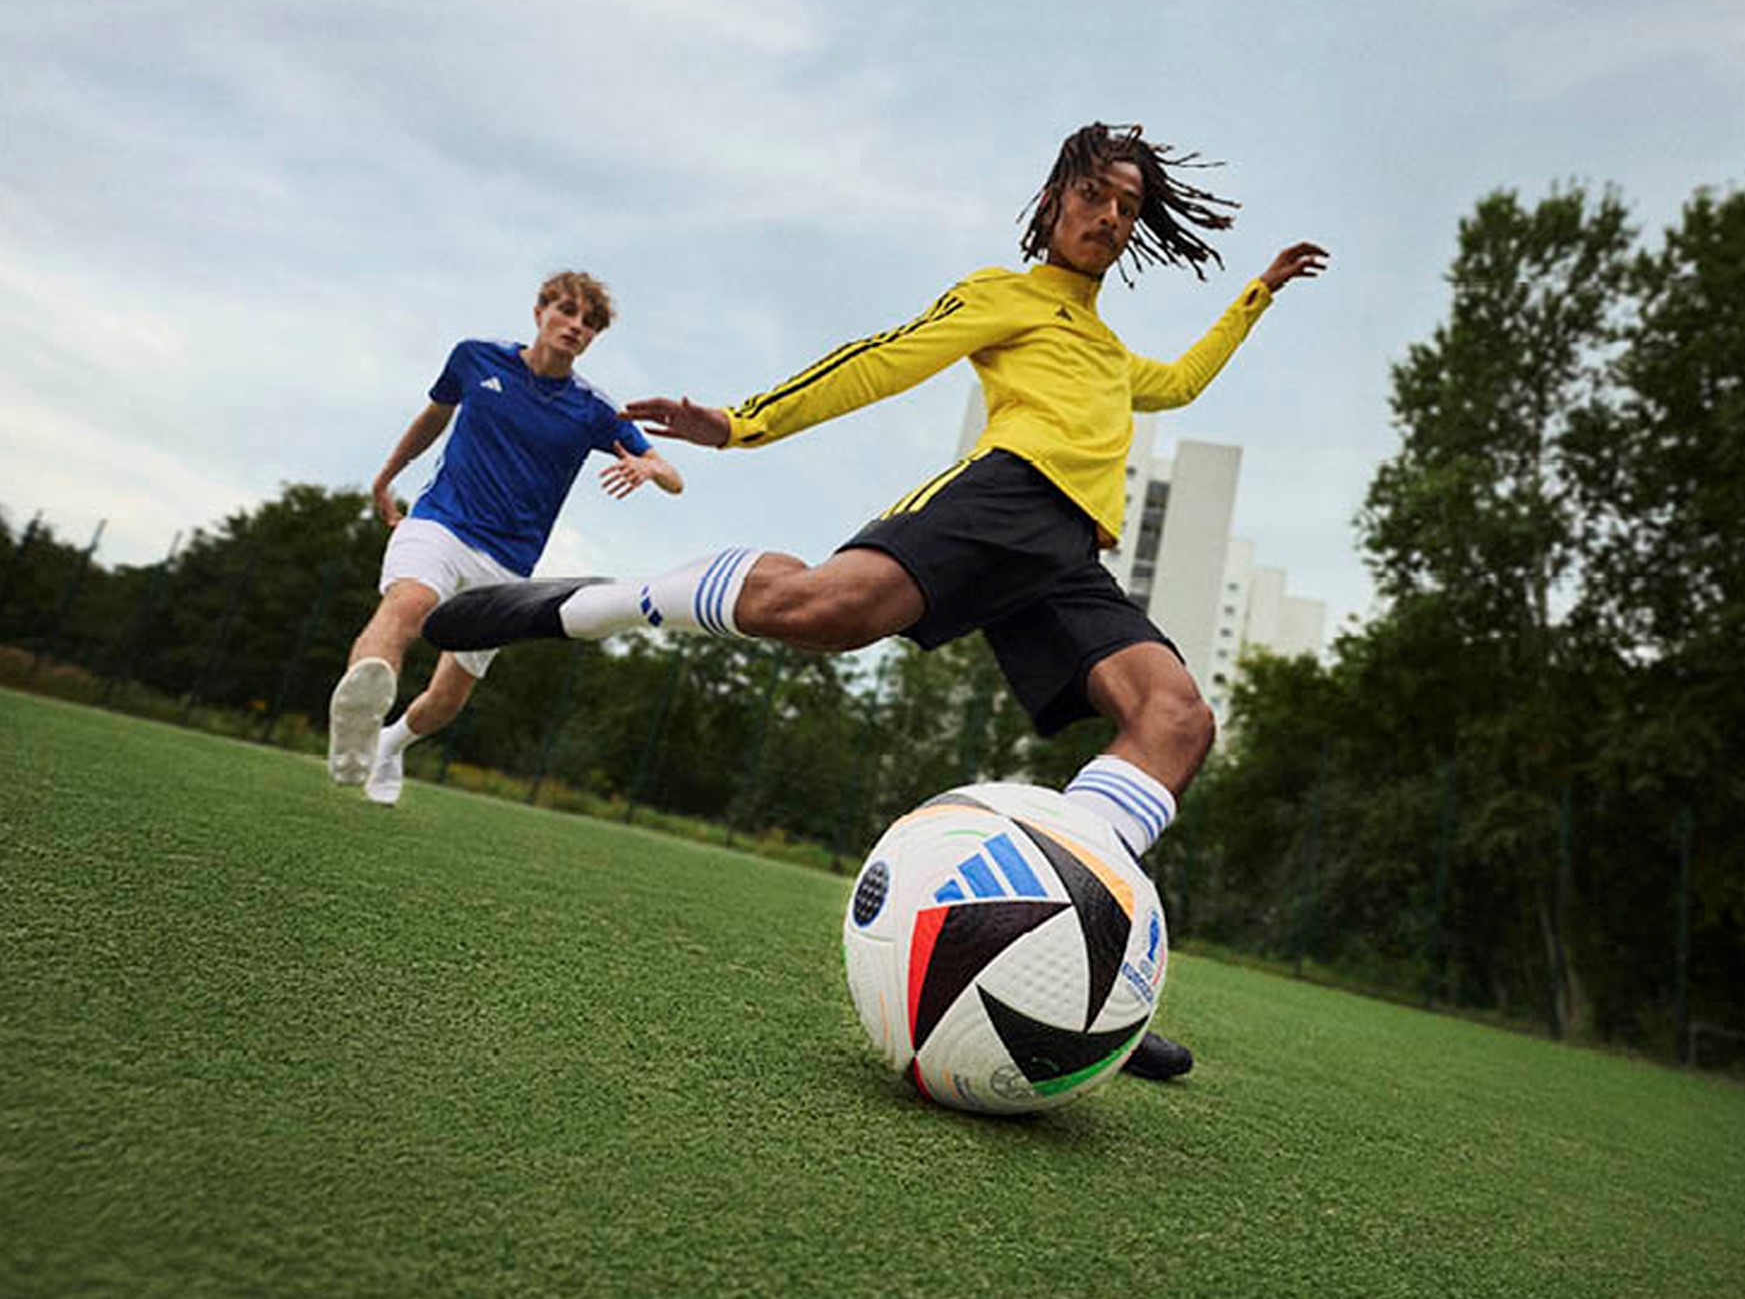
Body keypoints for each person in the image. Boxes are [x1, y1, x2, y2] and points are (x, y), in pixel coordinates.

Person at [425, 124, 1328, 1079]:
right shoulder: (1005, 296)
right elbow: (885, 357)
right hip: (1001, 497)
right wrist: (742, 422)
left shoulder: (1107, 350)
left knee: (1177, 718)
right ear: (1057, 195)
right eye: (1095, 194)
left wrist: (1255, 294)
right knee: (824, 615)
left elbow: (1178, 384)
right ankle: (599, 602)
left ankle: (1074, 962)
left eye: (1127, 207)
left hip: (1067, 555)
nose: (1109, 216)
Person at [327, 269, 683, 806]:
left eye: (589, 323)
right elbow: (434, 416)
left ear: (593, 338)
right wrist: (385, 477)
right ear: (540, 312)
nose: (575, 326)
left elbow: (673, 476)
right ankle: (357, 717)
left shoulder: (592, 409)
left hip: (508, 563)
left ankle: (389, 743)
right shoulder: (475, 358)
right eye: (565, 311)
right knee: (409, 603)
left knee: (448, 697)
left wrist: (651, 470)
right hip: (440, 523)